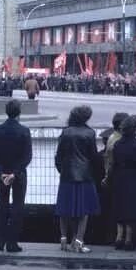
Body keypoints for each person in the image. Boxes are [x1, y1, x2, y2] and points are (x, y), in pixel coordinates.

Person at [54, 105, 99, 254]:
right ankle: (79, 241)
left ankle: (63, 239)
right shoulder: (90, 133)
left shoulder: (66, 132)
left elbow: (59, 156)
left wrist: (63, 170)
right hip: (85, 175)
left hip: (67, 175)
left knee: (65, 209)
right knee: (83, 211)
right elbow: (93, 156)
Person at [0, 99, 31, 253]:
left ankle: (0, 242)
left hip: (2, 174)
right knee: (17, 207)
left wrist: (0, 172)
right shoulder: (24, 131)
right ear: (19, 112)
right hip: (18, 175)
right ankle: (12, 243)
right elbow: (27, 156)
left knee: (3, 206)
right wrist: (15, 173)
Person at [107, 117, 136, 251]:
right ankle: (129, 239)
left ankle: (119, 237)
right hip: (133, 180)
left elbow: (113, 163)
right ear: (133, 129)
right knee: (131, 209)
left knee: (120, 208)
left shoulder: (118, 144)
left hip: (119, 178)